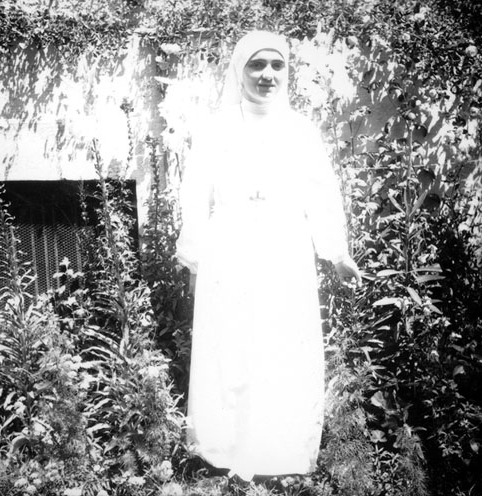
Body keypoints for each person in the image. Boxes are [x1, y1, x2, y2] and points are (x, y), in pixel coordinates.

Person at [175, 30, 361, 482]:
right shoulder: (217, 128)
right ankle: (226, 449)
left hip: (285, 250)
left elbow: (321, 194)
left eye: (277, 65)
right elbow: (195, 193)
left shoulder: (301, 131)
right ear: (239, 71)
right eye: (257, 64)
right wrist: (195, 255)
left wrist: (336, 253)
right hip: (229, 249)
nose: (267, 74)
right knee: (232, 345)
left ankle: (280, 450)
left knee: (280, 344)